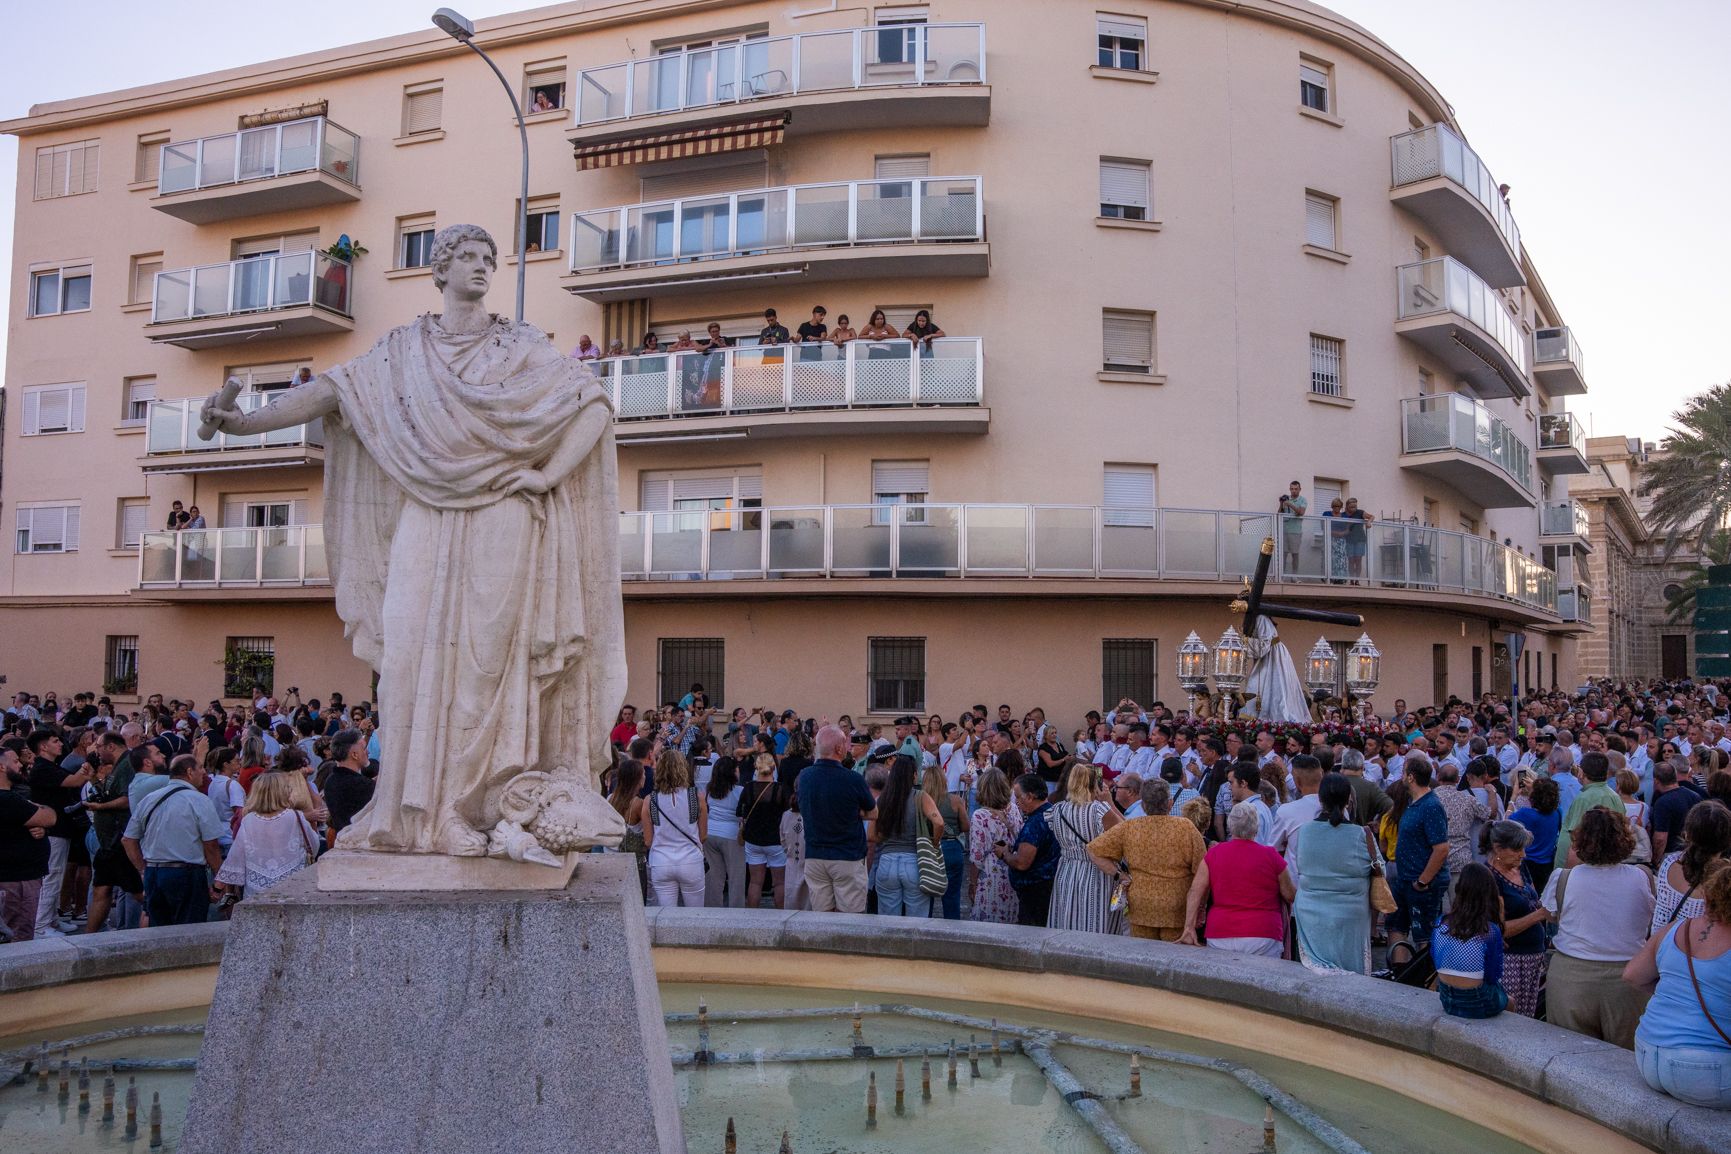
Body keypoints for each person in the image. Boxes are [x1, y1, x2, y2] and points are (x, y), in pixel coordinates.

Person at [199, 223, 626, 859]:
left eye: (489, 258)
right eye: (468, 258)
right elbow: (331, 392)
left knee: (485, 669)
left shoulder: (520, 347)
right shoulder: (403, 351)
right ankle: (409, 807)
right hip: (426, 512)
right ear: (440, 269)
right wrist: (245, 422)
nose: (482, 268)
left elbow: (592, 403)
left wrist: (545, 473)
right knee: (404, 664)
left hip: (504, 516)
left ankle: (468, 810)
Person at [1542, 807, 1656, 1048]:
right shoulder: (1642, 877)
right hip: (1627, 978)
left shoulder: (1563, 878)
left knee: (1567, 1054)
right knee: (1625, 1058)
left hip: (1571, 976)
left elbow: (1552, 916)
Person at [1625, 857, 1731, 1108]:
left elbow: (1632, 975)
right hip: (1706, 1070)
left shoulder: (1677, 928)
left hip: (1647, 1053)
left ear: (1706, 895)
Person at [1086, 778, 1206, 941]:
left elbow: (1093, 850)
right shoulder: (1186, 827)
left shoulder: (1130, 827)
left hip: (1141, 904)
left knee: (1143, 957)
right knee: (1174, 958)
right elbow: (1202, 870)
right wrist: (1200, 906)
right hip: (1177, 906)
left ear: (1143, 805)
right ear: (1170, 803)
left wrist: (1120, 876)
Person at [121, 754, 225, 928]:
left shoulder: (149, 798)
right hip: (186, 873)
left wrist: (143, 869)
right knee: (189, 929)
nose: (204, 773)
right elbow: (211, 845)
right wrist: (219, 879)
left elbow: (128, 839)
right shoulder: (199, 800)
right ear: (190, 772)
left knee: (158, 927)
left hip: (154, 871)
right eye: (200, 768)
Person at [1180, 800, 1295, 956]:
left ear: (1230, 826)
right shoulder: (1271, 856)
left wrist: (1189, 927)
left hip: (1220, 932)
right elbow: (1289, 894)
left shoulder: (1214, 853)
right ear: (1256, 827)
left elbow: (1195, 891)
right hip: (1263, 934)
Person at [1291, 773, 1374, 973]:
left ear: (1320, 798)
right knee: (1351, 977)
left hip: (1310, 915)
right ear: (1348, 800)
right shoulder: (1361, 835)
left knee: (1312, 975)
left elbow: (1301, 866)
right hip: (1351, 916)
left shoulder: (1305, 832)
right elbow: (1378, 870)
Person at [797, 726, 877, 914]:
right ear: (839, 749)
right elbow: (874, 812)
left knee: (822, 918)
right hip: (847, 856)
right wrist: (853, 812)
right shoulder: (853, 779)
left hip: (815, 856)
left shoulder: (805, 777)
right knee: (851, 919)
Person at [214, 772, 320, 899]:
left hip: (257, 889)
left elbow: (236, 855)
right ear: (282, 792)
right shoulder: (295, 816)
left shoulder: (248, 820)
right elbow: (313, 846)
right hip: (292, 886)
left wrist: (218, 886)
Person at [26, 728, 91, 936]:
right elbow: (74, 781)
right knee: (51, 876)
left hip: (60, 829)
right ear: (43, 747)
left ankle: (52, 919)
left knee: (57, 874)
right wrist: (91, 757)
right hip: (52, 831)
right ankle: (41, 925)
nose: (60, 744)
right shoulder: (42, 768)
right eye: (55, 741)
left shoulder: (50, 767)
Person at [1046, 762, 1123, 934]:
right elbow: (1124, 833)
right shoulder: (1099, 810)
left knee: (1067, 918)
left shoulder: (1057, 809)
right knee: (1093, 920)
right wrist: (1109, 802)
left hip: (1067, 869)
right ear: (1094, 784)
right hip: (1097, 871)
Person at [1486, 820, 1551, 1018]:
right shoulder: (1490, 878)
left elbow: (1531, 900)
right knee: (1510, 1017)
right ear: (1498, 848)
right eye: (1517, 849)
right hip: (1511, 960)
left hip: (1533, 956)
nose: (1523, 855)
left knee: (1527, 1017)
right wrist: (1539, 915)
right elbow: (1498, 929)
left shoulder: (1521, 868)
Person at [871, 754, 945, 918]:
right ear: (913, 775)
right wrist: (934, 842)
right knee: (917, 922)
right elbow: (939, 822)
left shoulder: (882, 799)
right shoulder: (920, 796)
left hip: (887, 862)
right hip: (914, 862)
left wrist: (886, 839)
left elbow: (871, 835)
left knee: (888, 922)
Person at [1433, 863, 1509, 1019]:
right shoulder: (1490, 931)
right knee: (1510, 1001)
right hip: (1478, 999)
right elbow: (1493, 976)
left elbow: (1435, 958)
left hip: (1446, 996)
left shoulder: (1441, 922)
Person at [1390, 756, 1449, 948]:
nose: (1401, 776)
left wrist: (1423, 881)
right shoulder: (1413, 802)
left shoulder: (1431, 805)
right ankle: (1399, 973)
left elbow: (1441, 849)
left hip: (1421, 884)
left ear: (1411, 777)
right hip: (1405, 879)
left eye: (1403, 772)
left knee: (1423, 936)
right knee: (1396, 926)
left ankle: (1422, 977)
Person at [1653, 801, 1731, 934]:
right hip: (1703, 951)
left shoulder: (1669, 864)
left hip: (1664, 947)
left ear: (1687, 834)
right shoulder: (1726, 880)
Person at [643, 751, 708, 909]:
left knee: (666, 917)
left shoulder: (650, 800)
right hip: (690, 860)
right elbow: (703, 835)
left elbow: (648, 841)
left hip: (661, 861)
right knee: (695, 915)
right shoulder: (697, 797)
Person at [998, 774, 1060, 927]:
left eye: (1018, 797)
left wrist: (1004, 853)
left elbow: (1022, 863)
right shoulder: (1053, 812)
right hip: (1049, 885)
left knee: (1030, 935)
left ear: (1030, 797)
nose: (1017, 803)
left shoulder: (1035, 822)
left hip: (1034, 891)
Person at [0, 768, 53, 943]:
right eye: (15, 761)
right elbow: (49, 817)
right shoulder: (7, 799)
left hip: (18, 876)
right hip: (16, 879)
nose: (20, 765)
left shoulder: (14, 796)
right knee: (17, 933)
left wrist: (37, 824)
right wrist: (41, 811)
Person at [967, 768, 1021, 924]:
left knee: (988, 926)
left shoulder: (980, 816)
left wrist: (972, 883)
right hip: (1011, 870)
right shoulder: (1014, 809)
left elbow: (977, 856)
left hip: (990, 875)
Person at [1556, 751, 1627, 868]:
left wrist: (1567, 875)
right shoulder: (1614, 796)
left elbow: (1576, 840)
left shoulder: (1584, 798)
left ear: (1581, 773)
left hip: (1582, 869)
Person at [739, 753, 788, 909]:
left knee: (755, 882)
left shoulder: (748, 788)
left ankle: (752, 919)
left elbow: (739, 812)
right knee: (780, 883)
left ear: (756, 768)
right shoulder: (781, 789)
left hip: (753, 839)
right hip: (776, 840)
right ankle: (782, 917)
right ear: (773, 768)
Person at [924, 761, 969, 919]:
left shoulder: (921, 801)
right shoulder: (955, 800)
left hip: (929, 848)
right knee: (952, 897)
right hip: (952, 848)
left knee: (925, 896)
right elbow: (965, 826)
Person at [702, 757, 747, 909]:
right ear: (732, 772)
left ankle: (712, 909)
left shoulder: (710, 789)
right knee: (736, 877)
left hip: (710, 833)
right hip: (731, 835)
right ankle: (736, 911)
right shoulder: (740, 791)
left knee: (714, 876)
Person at [1509, 776, 1562, 895]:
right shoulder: (1557, 812)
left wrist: (1513, 798)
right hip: (1547, 864)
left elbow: (1506, 822)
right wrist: (1539, 788)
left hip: (1528, 863)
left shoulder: (1525, 814)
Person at [1278, 481, 1308, 571]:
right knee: (1283, 554)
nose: (1293, 491)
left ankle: (1294, 576)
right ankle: (1281, 576)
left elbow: (1301, 513)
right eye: (1292, 489)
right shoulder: (1287, 499)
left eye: (1296, 489)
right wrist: (1281, 503)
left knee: (1295, 554)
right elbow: (1279, 514)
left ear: (1300, 489)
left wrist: (1290, 504)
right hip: (1284, 531)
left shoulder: (1303, 500)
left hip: (1295, 531)